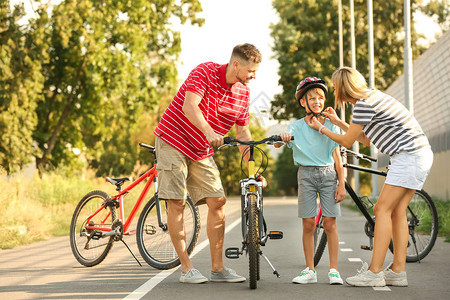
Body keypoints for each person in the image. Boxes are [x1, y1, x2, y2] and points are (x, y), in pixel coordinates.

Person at [305, 67, 433, 287]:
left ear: (343, 87)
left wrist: (321, 128)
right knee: (398, 211)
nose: (335, 91)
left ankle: (374, 272)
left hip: (409, 156)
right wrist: (336, 122)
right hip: (419, 153)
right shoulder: (373, 97)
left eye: (335, 87)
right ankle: (398, 271)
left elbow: (346, 142)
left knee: (381, 209)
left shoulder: (364, 105)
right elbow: (364, 139)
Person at [153, 43, 265, 284]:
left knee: (218, 200)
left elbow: (243, 134)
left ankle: (218, 268)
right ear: (236, 64)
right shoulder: (205, 72)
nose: (254, 76)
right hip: (174, 139)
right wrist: (208, 131)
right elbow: (189, 106)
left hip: (201, 150)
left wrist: (252, 171)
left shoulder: (243, 94)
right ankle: (186, 268)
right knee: (177, 201)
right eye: (251, 71)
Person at [277, 77, 346, 285]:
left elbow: (337, 158)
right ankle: (310, 270)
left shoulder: (331, 125)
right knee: (308, 224)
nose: (317, 101)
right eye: (312, 98)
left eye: (321, 97)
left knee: (330, 223)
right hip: (305, 175)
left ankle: (334, 270)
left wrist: (341, 183)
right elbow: (282, 142)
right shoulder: (296, 126)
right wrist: (282, 138)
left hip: (328, 175)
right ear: (303, 102)